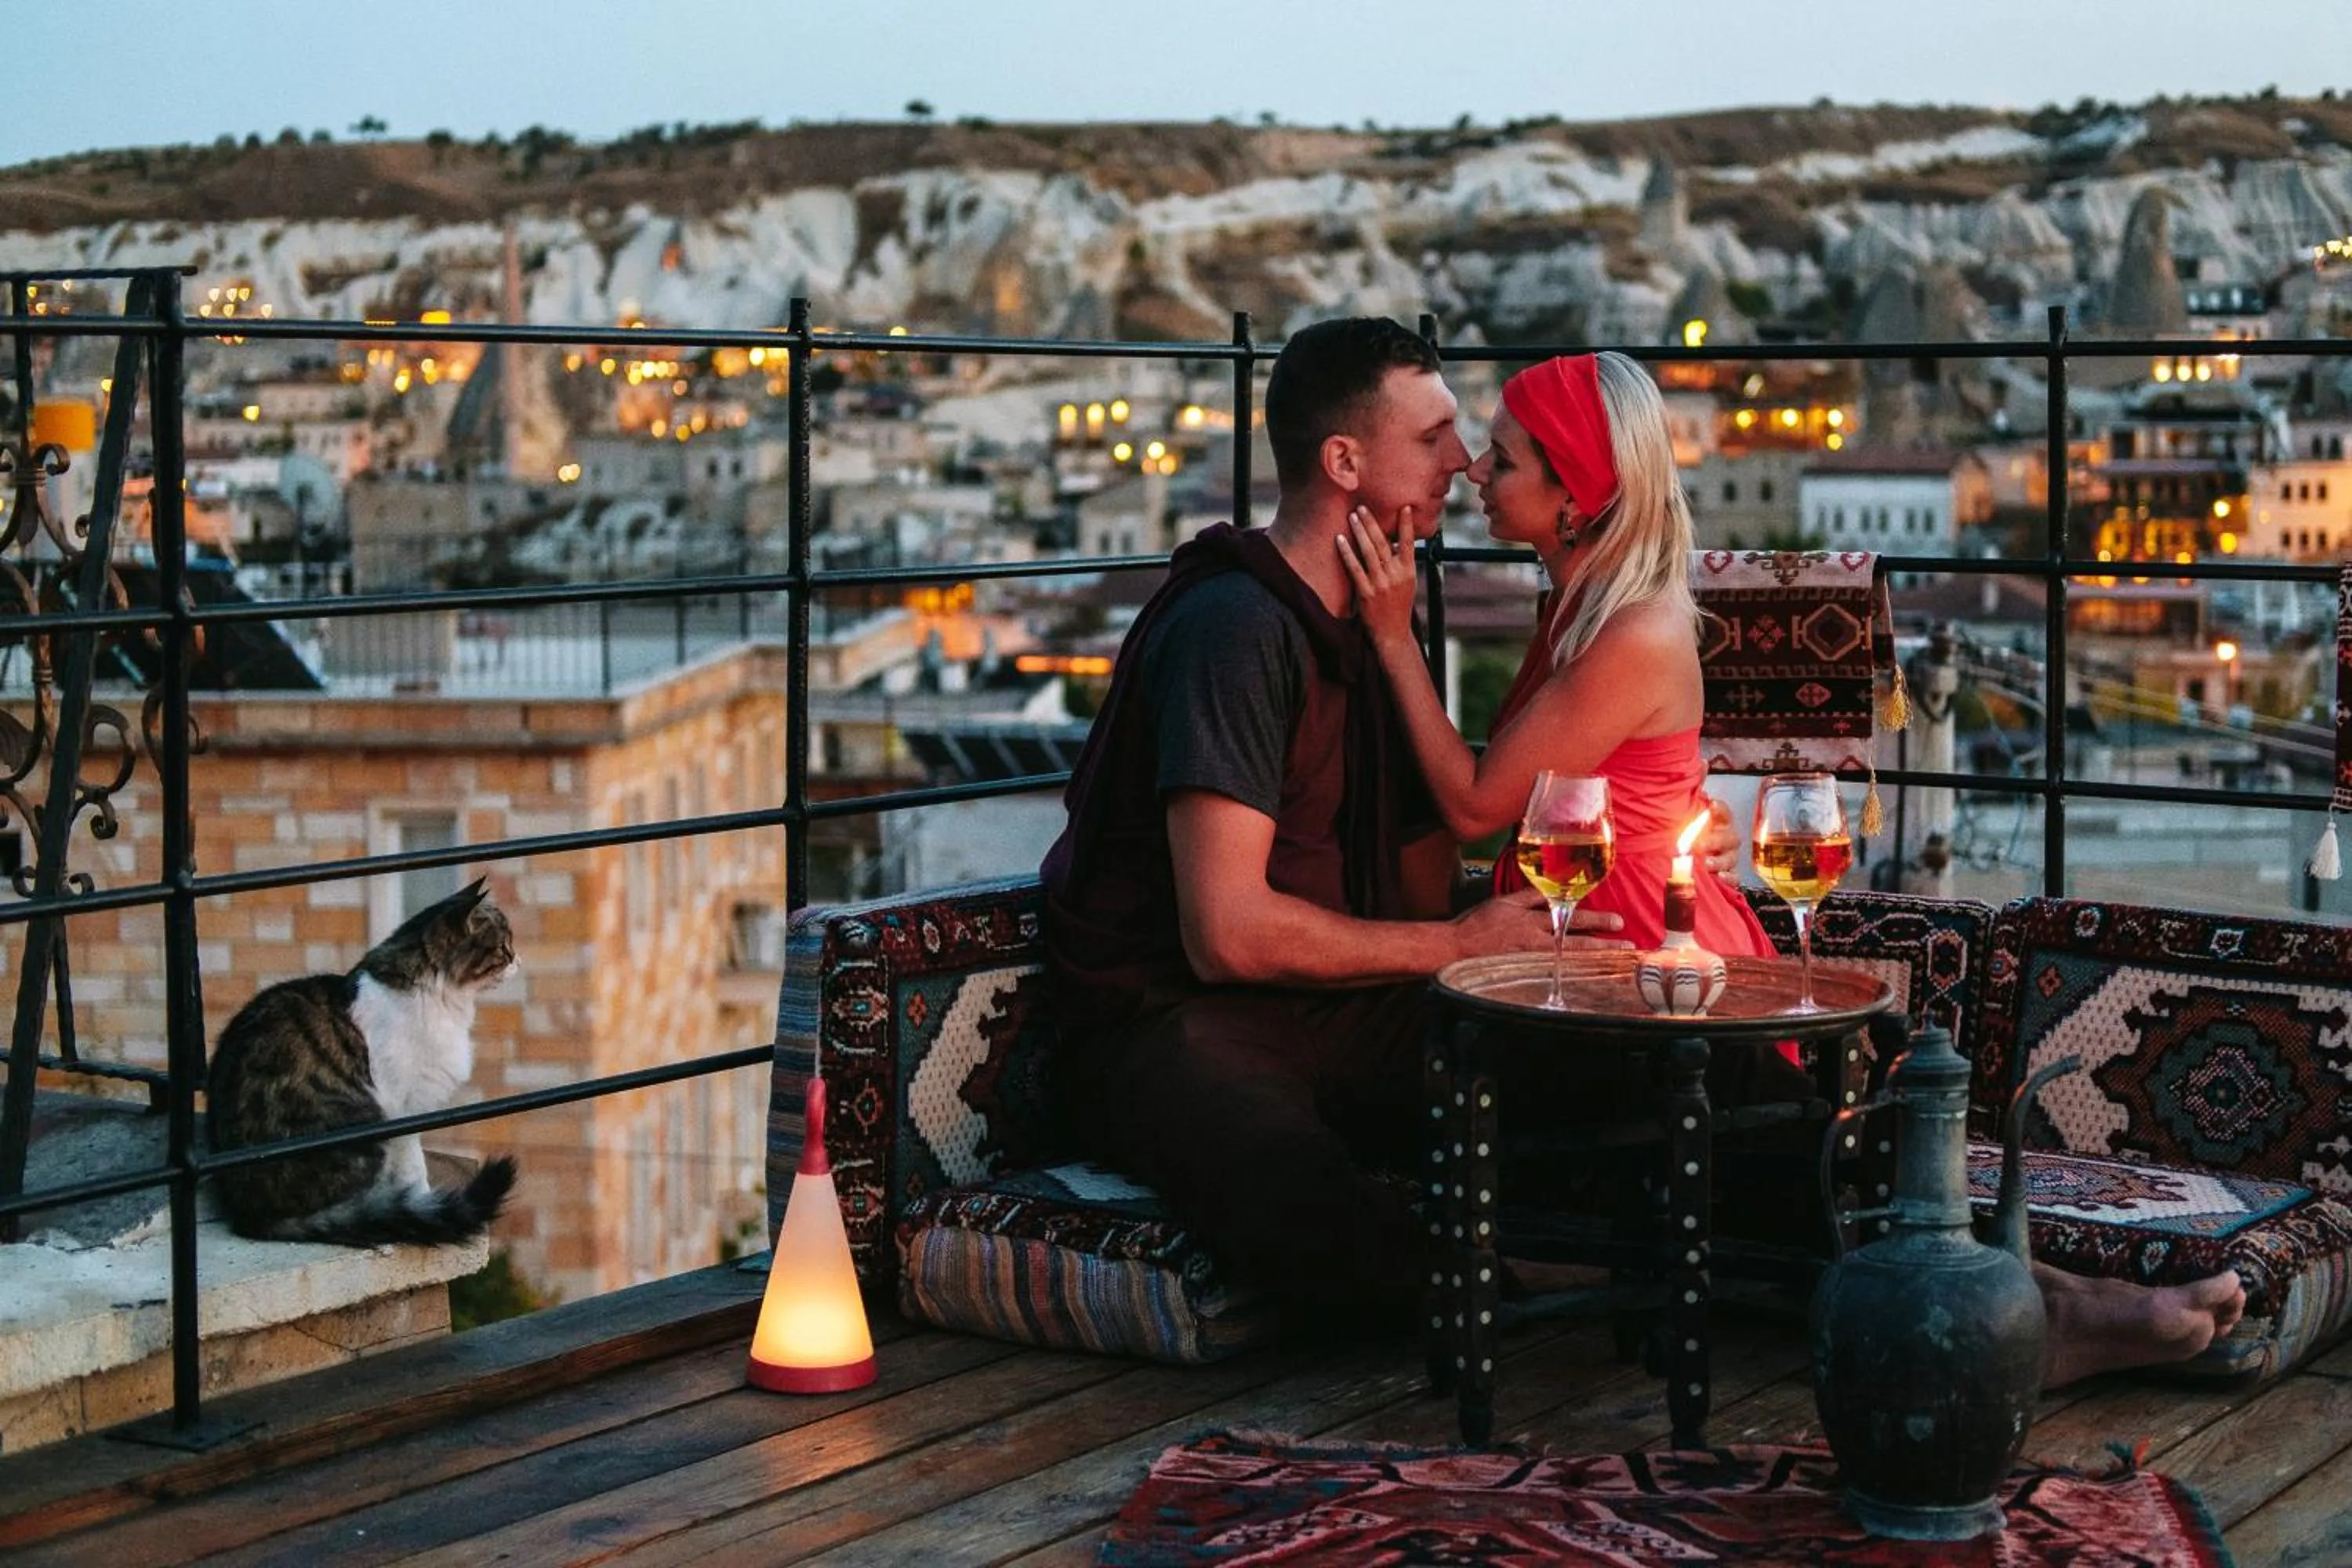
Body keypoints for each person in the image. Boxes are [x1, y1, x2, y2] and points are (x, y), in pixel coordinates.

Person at [1040, 315, 2247, 1381]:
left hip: (1356, 989)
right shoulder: (1238, 628)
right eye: (1441, 439)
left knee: (1677, 1086)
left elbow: (1421, 853)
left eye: (1484, 445)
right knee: (1303, 1207)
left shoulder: (1392, 612)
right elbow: (1228, 931)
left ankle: (2006, 1305)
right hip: (1177, 1012)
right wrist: (1459, 944)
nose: (1464, 463)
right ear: (1346, 463)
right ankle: (1554, 1277)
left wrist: (1472, 956)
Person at [1337, 350, 1770, 964]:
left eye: (1504, 460)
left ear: (1574, 496)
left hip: (1640, 948)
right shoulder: (1579, 605)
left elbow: (1475, 806)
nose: (1476, 471)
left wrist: (1393, 637)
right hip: (1597, 925)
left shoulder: (1631, 632)